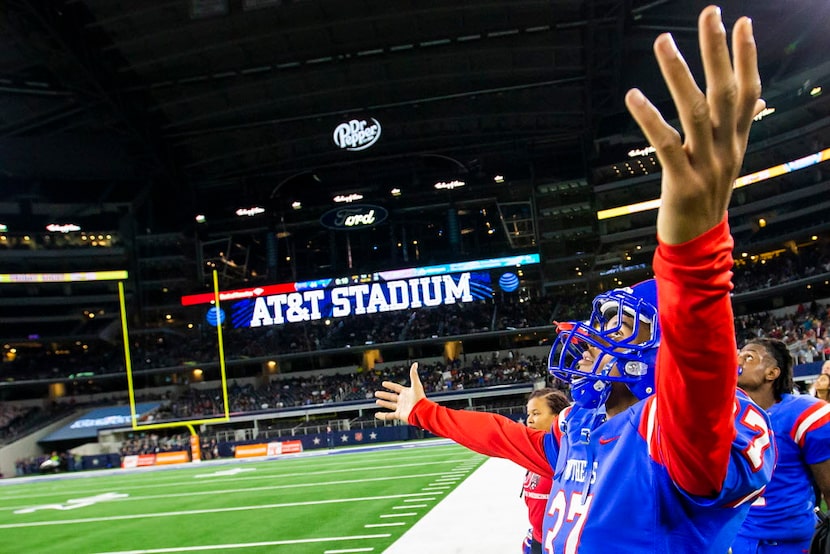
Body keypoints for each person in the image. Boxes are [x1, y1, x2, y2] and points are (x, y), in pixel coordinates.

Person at [375, 5, 776, 552]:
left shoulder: (679, 432)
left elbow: (699, 376)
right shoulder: (582, 425)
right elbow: (504, 435)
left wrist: (695, 249)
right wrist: (423, 412)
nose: (590, 342)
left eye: (621, 328)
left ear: (662, 345)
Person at [733, 338, 830, 553]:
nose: (739, 361)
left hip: (791, 542)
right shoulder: (724, 414)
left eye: (749, 357)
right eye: (739, 354)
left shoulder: (804, 413)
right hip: (740, 538)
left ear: (772, 373)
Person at [520, 389, 571, 554]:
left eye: (536, 413)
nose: (529, 420)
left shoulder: (567, 455)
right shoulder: (536, 453)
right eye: (528, 414)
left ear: (557, 417)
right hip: (539, 539)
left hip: (562, 544)